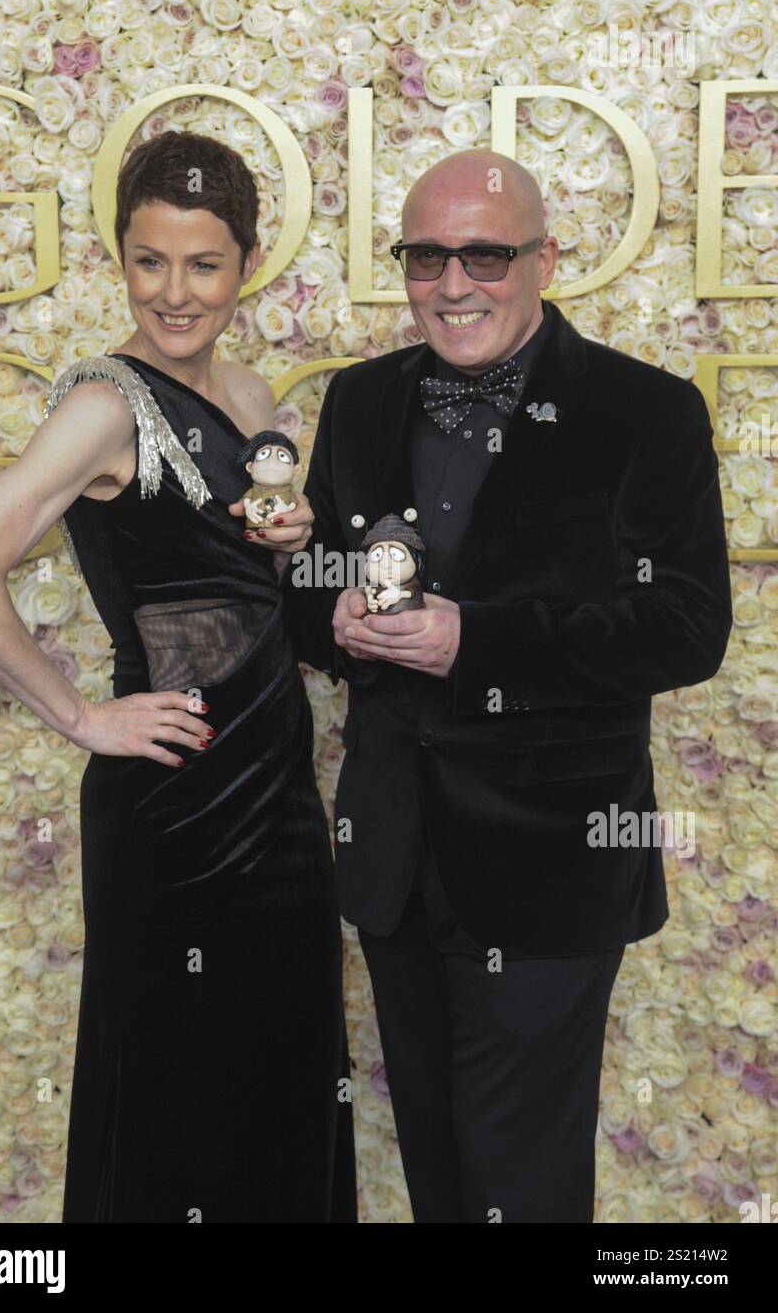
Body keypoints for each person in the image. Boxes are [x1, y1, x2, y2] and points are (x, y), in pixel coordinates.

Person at [282, 149, 732, 1223]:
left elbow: (685, 626)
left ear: (543, 259)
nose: (453, 282)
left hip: (549, 867)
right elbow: (311, 589)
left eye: (485, 253)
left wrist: (473, 642)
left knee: (519, 1187)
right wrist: (333, 614)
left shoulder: (646, 412)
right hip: (395, 855)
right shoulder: (359, 401)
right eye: (426, 254)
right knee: (438, 1170)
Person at [0, 130, 356, 1223]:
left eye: (202, 263)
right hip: (176, 811)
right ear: (120, 258)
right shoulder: (105, 404)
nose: (174, 292)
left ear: (246, 263)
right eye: (148, 260)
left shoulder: (253, 394)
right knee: (182, 1085)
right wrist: (82, 715)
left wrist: (293, 539)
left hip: (283, 809)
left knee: (275, 1079)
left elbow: (247, 581)